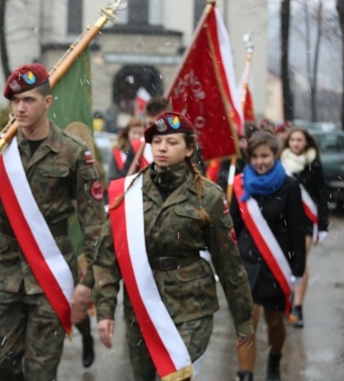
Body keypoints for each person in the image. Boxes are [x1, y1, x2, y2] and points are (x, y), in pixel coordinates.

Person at [0, 63, 107, 380]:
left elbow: (94, 225)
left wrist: (88, 284)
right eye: (15, 100)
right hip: (5, 270)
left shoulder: (73, 153)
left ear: (47, 102)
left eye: (29, 100)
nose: (20, 107)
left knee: (41, 370)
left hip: (51, 269)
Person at [94, 111, 254, 381]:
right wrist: (105, 310)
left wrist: (243, 320)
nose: (162, 148)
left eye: (171, 142)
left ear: (190, 149)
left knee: (176, 377)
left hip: (191, 306)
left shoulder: (209, 196)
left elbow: (229, 264)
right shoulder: (128, 193)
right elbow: (108, 257)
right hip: (141, 305)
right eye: (156, 142)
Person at [231, 131, 306, 381]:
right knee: (246, 325)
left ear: (275, 155)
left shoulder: (290, 185)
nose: (260, 161)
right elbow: (234, 226)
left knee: (275, 324)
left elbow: (297, 230)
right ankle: (246, 375)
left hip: (276, 266)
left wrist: (297, 270)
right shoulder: (240, 184)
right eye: (255, 157)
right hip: (247, 265)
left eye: (265, 156)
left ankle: (274, 360)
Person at [280, 127, 329, 328]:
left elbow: (322, 195)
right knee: (285, 259)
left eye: (300, 140)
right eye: (292, 140)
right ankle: (286, 301)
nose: (296, 143)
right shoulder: (280, 163)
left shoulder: (314, 165)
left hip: (306, 221)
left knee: (301, 259)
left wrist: (323, 225)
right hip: (284, 219)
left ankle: (298, 308)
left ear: (306, 142)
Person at [217, 122, 259, 192]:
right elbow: (222, 181)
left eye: (246, 141)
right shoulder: (230, 159)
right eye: (241, 141)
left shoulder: (260, 158)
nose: (242, 145)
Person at [107, 117, 144, 183]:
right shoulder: (118, 153)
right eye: (134, 133)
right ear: (128, 134)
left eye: (140, 133)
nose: (137, 137)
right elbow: (111, 178)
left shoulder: (147, 153)